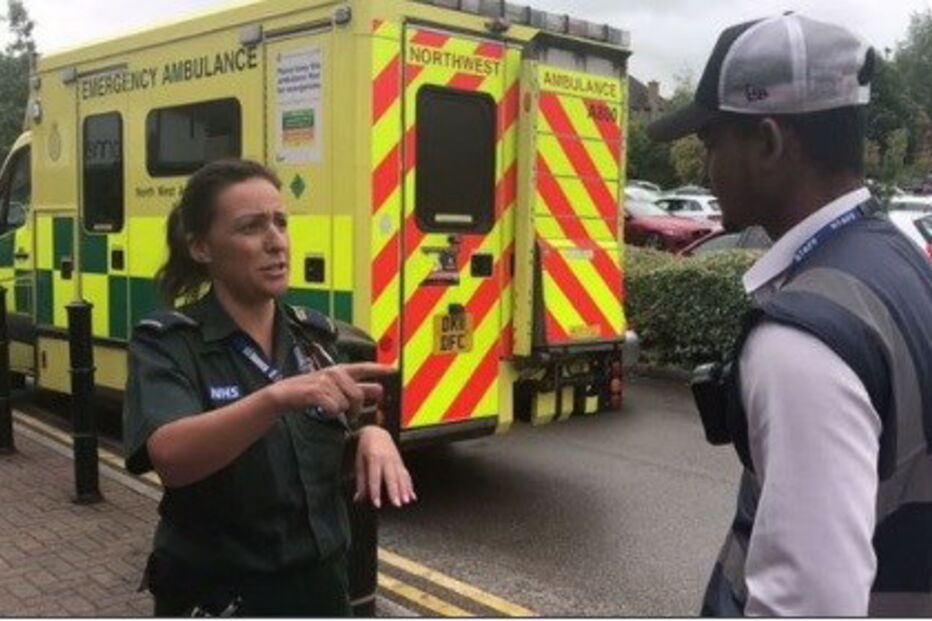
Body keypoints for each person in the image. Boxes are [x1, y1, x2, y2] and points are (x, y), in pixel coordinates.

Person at [649, 14, 932, 617]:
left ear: (769, 144)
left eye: (713, 144)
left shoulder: (802, 341)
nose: (705, 169)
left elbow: (810, 605)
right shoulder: (898, 263)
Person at [123, 159, 415, 617]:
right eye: (251, 227)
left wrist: (369, 437)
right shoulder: (169, 344)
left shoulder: (313, 339)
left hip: (321, 592)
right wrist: (276, 398)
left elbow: (308, 454)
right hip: (224, 597)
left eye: (280, 222)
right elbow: (171, 459)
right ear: (201, 247)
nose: (276, 240)